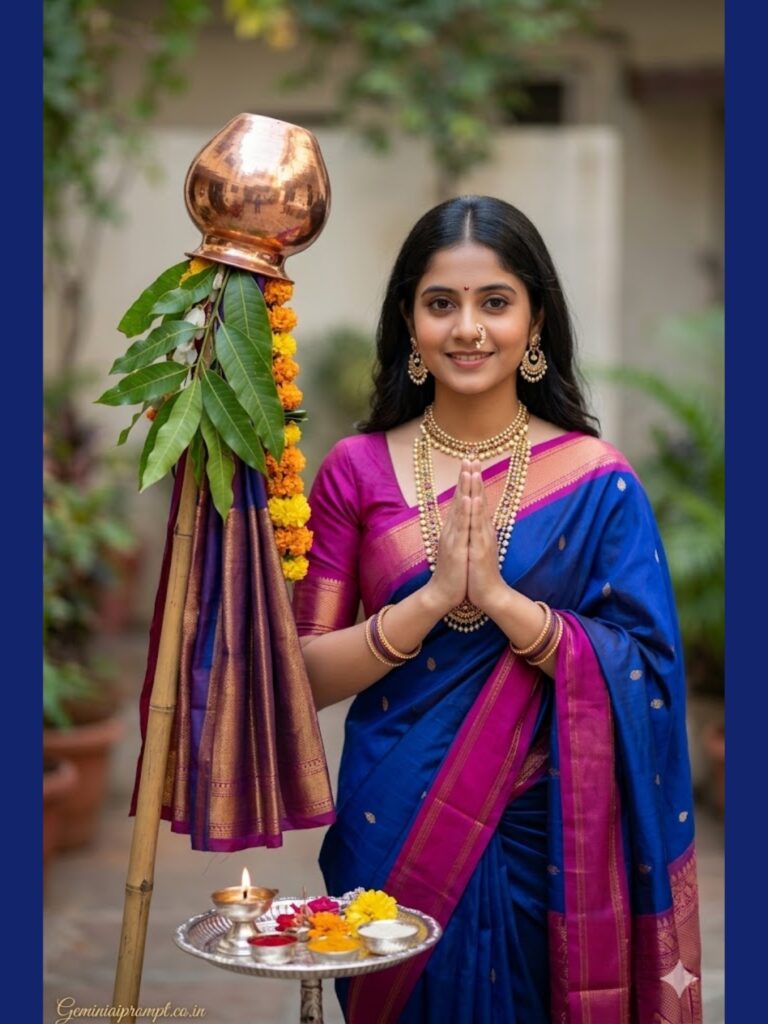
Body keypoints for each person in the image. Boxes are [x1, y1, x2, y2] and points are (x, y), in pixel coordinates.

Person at [292, 195, 702, 1023]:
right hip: (393, 824)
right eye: (441, 303)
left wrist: (510, 607)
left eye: (495, 302)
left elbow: (648, 670)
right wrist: (434, 600)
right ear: (408, 323)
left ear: (535, 320)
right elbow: (302, 675)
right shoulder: (355, 471)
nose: (468, 328)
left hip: (548, 840)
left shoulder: (598, 479)